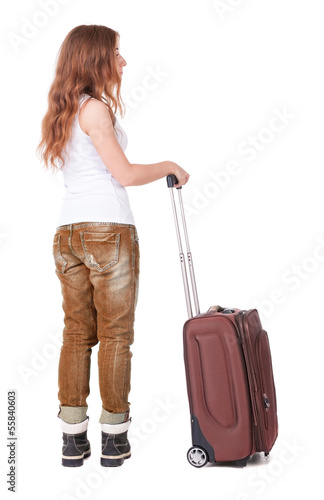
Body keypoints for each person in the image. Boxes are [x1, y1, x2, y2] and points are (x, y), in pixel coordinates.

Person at [37, 24, 190, 468]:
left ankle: (71, 439)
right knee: (116, 335)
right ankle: (114, 438)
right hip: (108, 230)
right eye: (117, 53)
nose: (123, 61)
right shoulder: (97, 111)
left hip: (67, 234)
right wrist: (169, 165)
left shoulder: (65, 110)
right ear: (95, 59)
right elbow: (122, 175)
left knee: (76, 334)